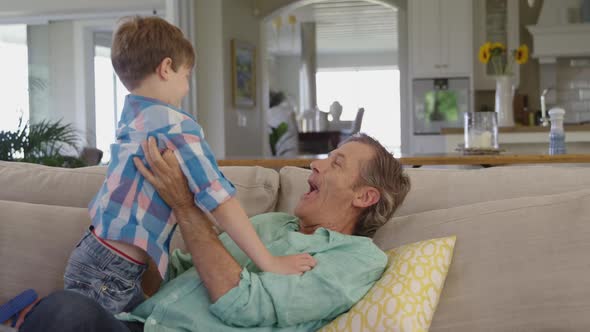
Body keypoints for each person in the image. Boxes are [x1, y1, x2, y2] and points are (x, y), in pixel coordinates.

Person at [20, 134, 411, 331]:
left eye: (336, 163)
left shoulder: (357, 259)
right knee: (64, 307)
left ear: (365, 196)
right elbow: (168, 279)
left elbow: (244, 304)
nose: (315, 165)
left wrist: (185, 205)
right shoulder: (273, 224)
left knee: (64, 312)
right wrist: (137, 226)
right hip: (140, 324)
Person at [63, 16, 314, 316]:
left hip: (94, 256)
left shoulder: (132, 117)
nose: (185, 88)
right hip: (112, 271)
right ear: (166, 68)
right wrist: (269, 262)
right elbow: (220, 198)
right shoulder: (176, 126)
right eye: (186, 76)